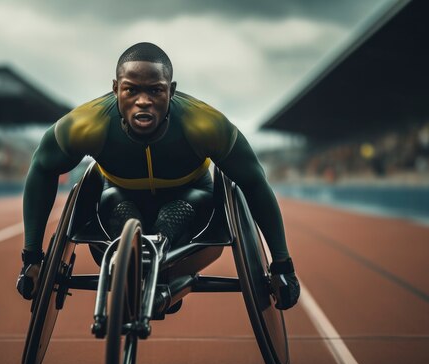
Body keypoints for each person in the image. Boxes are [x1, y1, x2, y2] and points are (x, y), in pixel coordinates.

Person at [17, 42, 300, 310]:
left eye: (155, 91)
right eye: (131, 91)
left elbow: (253, 181)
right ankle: (134, 263)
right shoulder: (87, 124)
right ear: (115, 89)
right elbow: (42, 168)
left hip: (192, 203)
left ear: (171, 90)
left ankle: (163, 267)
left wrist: (281, 264)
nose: (143, 101)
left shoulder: (203, 123)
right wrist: (32, 257)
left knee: (175, 212)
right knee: (120, 209)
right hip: (117, 198)